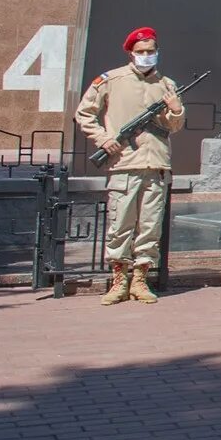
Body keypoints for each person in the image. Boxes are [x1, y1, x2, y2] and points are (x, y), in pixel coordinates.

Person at [75, 27, 186, 306]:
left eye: (151, 51)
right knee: (120, 224)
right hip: (125, 163)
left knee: (149, 226)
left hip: (157, 163)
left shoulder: (167, 85)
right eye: (141, 52)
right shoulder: (111, 80)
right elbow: (84, 113)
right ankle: (119, 281)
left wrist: (175, 109)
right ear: (130, 53)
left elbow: (175, 127)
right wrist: (104, 140)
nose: (146, 56)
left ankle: (140, 280)